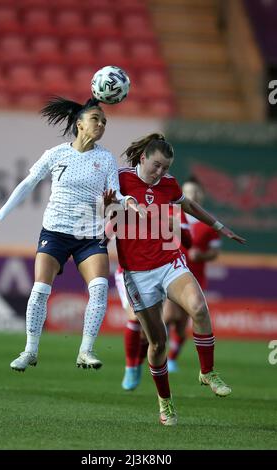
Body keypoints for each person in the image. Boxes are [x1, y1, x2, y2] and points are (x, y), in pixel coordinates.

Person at [0, 96, 137, 372]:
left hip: (89, 236)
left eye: (104, 121)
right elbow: (27, 184)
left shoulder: (105, 158)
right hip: (55, 232)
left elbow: (115, 196)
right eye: (95, 119)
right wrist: (0, 215)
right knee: (41, 289)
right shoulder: (56, 154)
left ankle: (86, 351)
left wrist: (122, 201)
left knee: (100, 288)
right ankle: (30, 351)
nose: (101, 125)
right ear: (79, 124)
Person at [107, 132, 245, 426]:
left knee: (198, 307)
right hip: (136, 274)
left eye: (166, 167)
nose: (161, 172)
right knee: (157, 344)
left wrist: (220, 226)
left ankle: (207, 371)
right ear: (143, 158)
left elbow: (190, 207)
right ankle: (165, 403)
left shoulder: (169, 185)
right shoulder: (119, 178)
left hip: (169, 261)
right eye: (156, 165)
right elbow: (104, 211)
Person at [116, 208, 192, 391]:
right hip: (129, 272)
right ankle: (131, 367)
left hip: (160, 273)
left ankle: (139, 360)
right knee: (134, 317)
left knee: (149, 332)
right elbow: (109, 228)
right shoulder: (130, 202)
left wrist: (175, 228)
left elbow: (188, 242)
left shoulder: (173, 209)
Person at [165, 176, 222, 373]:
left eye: (196, 192)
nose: (192, 195)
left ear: (202, 195)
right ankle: (158, 352)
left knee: (182, 324)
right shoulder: (171, 213)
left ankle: (171, 357)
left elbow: (214, 252)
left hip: (196, 278)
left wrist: (202, 255)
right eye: (188, 192)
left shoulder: (209, 223)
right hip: (171, 274)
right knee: (169, 315)